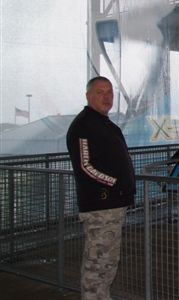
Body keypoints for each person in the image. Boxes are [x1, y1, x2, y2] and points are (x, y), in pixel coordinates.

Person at [66, 76, 136, 300]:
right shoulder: (84, 126)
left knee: (107, 263)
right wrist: (116, 185)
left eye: (109, 92)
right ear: (88, 96)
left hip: (112, 205)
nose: (106, 97)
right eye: (100, 92)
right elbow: (86, 166)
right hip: (101, 207)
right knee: (97, 266)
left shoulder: (105, 124)